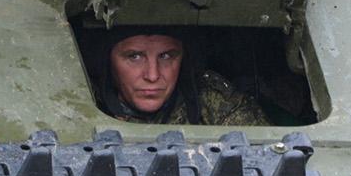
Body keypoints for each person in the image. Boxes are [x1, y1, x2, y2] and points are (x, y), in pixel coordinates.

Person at [93, 27, 266, 125]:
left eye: (166, 56)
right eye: (135, 57)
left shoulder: (213, 101)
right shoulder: (86, 106)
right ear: (109, 61)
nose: (152, 76)